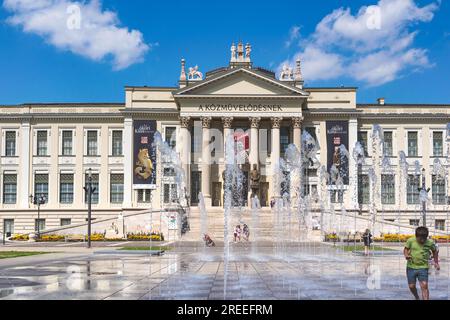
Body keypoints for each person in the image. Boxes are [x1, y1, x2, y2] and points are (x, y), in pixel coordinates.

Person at [404, 227, 440, 300]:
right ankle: (416, 296)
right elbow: (405, 249)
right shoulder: (411, 241)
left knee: (424, 285)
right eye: (420, 238)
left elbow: (435, 251)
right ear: (416, 236)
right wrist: (406, 255)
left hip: (423, 267)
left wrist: (436, 262)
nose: (422, 240)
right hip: (411, 267)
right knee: (411, 286)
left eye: (424, 238)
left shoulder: (430, 242)